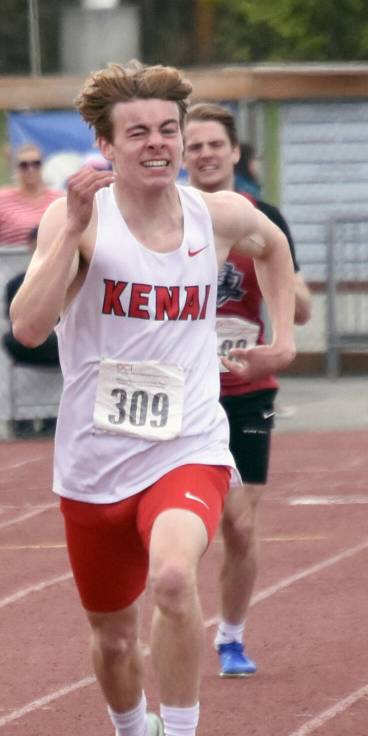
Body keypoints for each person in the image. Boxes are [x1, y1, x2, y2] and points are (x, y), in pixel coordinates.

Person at [10, 61, 296, 736]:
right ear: (104, 143)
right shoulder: (83, 222)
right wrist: (65, 229)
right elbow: (29, 328)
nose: (159, 144)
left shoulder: (218, 213)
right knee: (111, 639)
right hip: (96, 463)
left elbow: (272, 246)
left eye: (168, 130)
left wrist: (284, 337)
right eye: (138, 132)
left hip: (190, 442)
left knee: (174, 576)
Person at [184, 102, 312, 677]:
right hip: (184, 389)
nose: (206, 154)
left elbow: (301, 305)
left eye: (216, 144)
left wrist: (279, 292)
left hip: (248, 387)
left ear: (235, 153)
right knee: (195, 521)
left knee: (238, 521)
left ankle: (230, 637)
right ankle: (178, 622)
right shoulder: (171, 216)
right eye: (196, 146)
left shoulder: (264, 217)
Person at [0, 143, 64, 249]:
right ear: (16, 168)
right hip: (12, 262)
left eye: (36, 164)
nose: (30, 169)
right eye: (24, 165)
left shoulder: (59, 199)